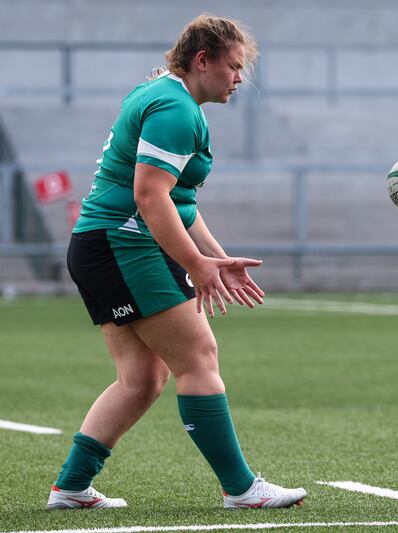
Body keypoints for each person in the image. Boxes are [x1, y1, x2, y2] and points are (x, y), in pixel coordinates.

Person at [48, 14, 307, 510]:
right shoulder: (175, 108)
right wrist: (196, 262)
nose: (239, 79)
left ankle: (71, 486)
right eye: (232, 67)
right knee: (198, 358)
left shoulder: (163, 96)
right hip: (123, 245)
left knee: (142, 378)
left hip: (105, 244)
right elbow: (150, 197)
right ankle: (241, 488)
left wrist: (214, 257)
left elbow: (176, 201)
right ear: (201, 59)